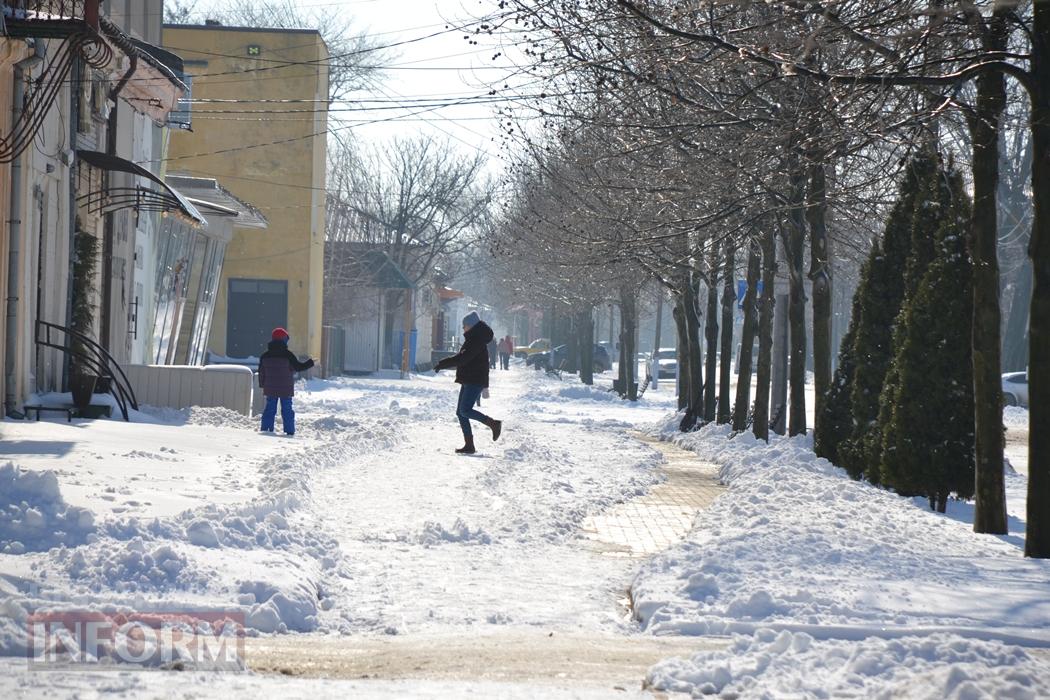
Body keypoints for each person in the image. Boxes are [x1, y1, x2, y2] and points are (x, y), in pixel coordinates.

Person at [434, 311, 503, 454]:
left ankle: (493, 423)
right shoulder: (474, 338)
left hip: (474, 380)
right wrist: (444, 363)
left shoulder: (476, 340)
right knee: (461, 412)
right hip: (469, 379)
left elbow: (462, 359)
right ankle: (469, 445)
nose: (463, 328)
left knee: (465, 410)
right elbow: (462, 357)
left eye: (464, 326)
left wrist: (443, 363)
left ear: (471, 326)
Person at [258, 327, 314, 436]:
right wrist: (310, 362)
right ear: (284, 339)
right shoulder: (288, 355)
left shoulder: (265, 355)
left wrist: (262, 384)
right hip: (286, 388)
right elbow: (298, 367)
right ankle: (289, 432)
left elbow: (261, 372)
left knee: (269, 409)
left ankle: (266, 430)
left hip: (270, 387)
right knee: (287, 410)